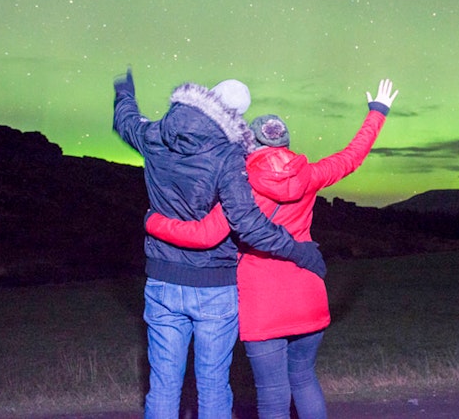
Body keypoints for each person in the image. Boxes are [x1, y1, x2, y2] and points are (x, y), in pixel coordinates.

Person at [146, 79, 399, 419]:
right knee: (305, 380)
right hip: (308, 291)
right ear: (286, 141)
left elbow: (206, 235)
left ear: (250, 144)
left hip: (262, 300)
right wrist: (377, 112)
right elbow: (352, 157)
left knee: (272, 395)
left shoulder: (240, 184)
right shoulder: (309, 175)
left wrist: (154, 222)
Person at [112, 69, 326, 419]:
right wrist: (297, 250)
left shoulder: (154, 134)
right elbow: (249, 224)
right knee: (212, 383)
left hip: (163, 280)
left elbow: (126, 121)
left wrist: (124, 93)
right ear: (235, 117)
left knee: (164, 384)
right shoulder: (229, 157)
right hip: (215, 285)